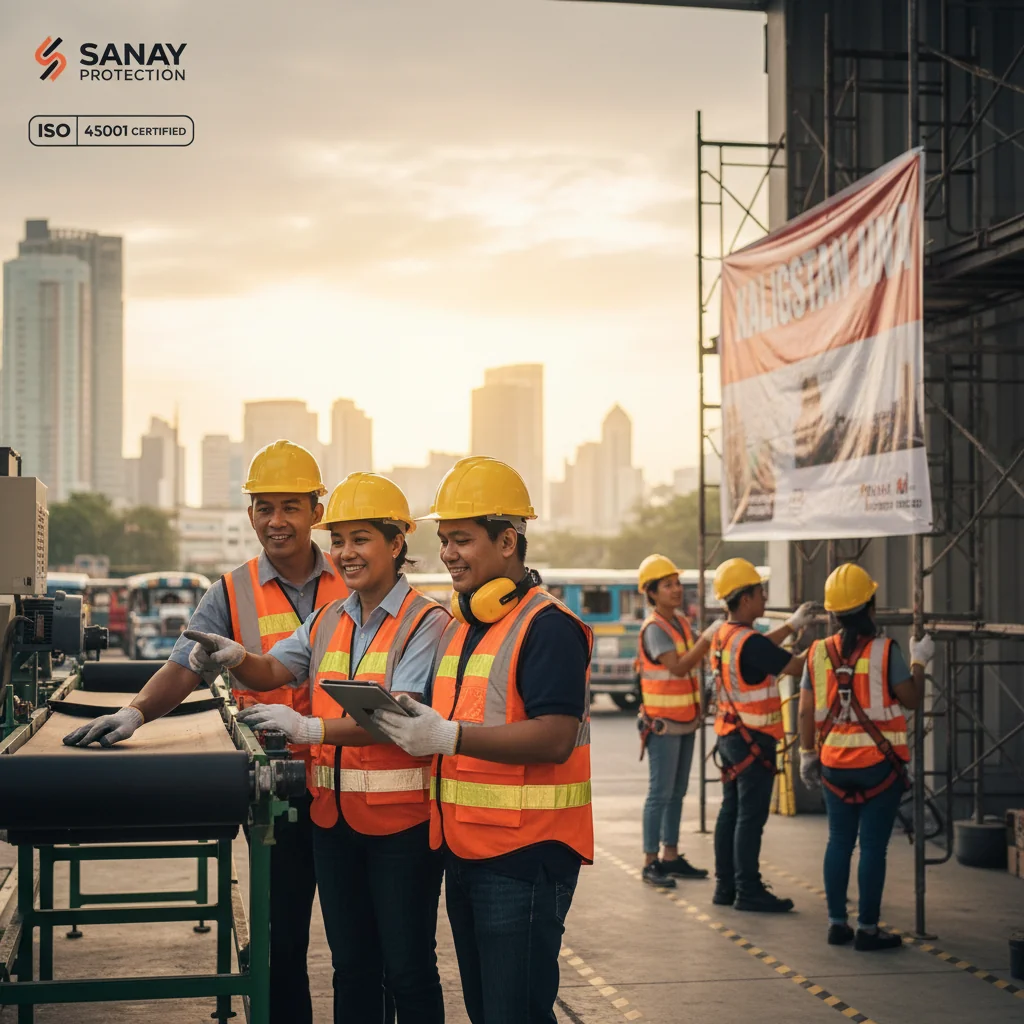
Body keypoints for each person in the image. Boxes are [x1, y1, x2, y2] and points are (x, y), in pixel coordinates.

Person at [63, 439, 348, 1024]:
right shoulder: (230, 590)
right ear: (249, 514)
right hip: (278, 791)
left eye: (291, 506)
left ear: (317, 510)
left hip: (354, 785)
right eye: (264, 507)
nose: (276, 521)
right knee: (284, 945)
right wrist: (135, 712)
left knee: (360, 949)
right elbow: (183, 666)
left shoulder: (354, 574)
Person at [188, 473, 450, 1024]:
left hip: (400, 828)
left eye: (361, 540)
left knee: (405, 970)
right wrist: (237, 657)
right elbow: (276, 667)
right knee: (351, 966)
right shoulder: (329, 617)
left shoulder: (425, 621)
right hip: (334, 822)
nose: (345, 554)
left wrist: (308, 729)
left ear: (397, 543)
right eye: (339, 541)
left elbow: (399, 716)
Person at [373, 456, 592, 1024]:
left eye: (462, 540)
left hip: (524, 858)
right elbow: (468, 714)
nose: (447, 553)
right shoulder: (465, 625)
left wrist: (447, 734)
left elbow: (554, 738)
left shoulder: (549, 627)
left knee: (513, 1013)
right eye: (444, 540)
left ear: (509, 541)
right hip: (466, 850)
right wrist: (418, 717)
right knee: (487, 1012)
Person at [797, 563, 933, 951]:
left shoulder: (817, 653)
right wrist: (919, 660)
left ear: (835, 613)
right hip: (879, 768)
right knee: (873, 846)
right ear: (869, 608)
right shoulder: (885, 651)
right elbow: (912, 700)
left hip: (834, 767)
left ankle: (837, 924)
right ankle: (868, 930)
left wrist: (808, 755)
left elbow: (806, 711)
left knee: (838, 841)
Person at [708, 558, 813, 913]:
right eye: (759, 592)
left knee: (732, 811)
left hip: (730, 736)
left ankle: (726, 886)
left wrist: (791, 627)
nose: (764, 597)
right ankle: (748, 889)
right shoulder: (748, 643)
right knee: (750, 817)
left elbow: (761, 647)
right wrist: (827, 651)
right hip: (753, 739)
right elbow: (794, 666)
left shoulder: (726, 634)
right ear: (745, 599)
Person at [635, 553, 719, 888]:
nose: (676, 589)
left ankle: (670, 856)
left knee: (677, 791)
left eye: (677, 583)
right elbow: (680, 667)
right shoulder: (655, 629)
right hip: (664, 724)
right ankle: (650, 861)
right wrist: (707, 639)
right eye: (668, 585)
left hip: (685, 720)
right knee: (661, 793)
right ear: (652, 593)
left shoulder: (681, 622)